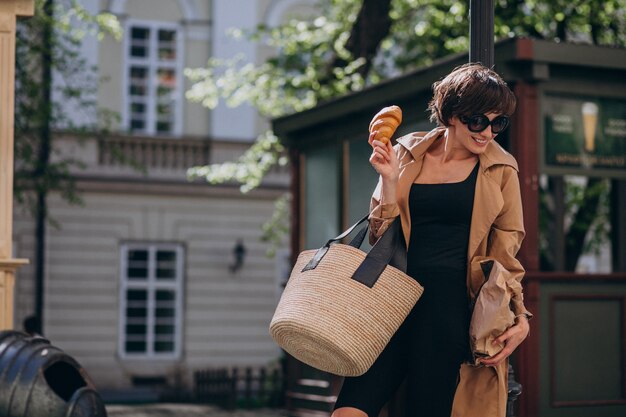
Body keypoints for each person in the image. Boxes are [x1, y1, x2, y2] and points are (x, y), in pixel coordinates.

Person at [332, 63, 532, 417]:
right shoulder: (408, 153)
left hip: (447, 313)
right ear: (452, 114)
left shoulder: (501, 170)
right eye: (478, 121)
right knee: (349, 410)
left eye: (497, 122)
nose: (487, 132)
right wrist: (390, 180)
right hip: (391, 306)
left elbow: (507, 253)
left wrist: (519, 314)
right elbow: (381, 234)